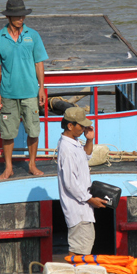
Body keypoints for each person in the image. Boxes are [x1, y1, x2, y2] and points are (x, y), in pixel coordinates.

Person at [0, 0, 49, 180]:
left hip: (30, 92)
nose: (21, 18)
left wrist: (41, 88)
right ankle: (8, 167)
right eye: (17, 15)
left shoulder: (33, 36)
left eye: (23, 15)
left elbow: (39, 63)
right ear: (8, 17)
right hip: (7, 94)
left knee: (33, 130)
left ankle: (32, 164)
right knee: (7, 133)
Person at [56, 107, 107, 255]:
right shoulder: (66, 149)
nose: (84, 128)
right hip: (78, 210)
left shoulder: (74, 142)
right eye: (81, 125)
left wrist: (89, 139)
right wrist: (91, 199)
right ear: (70, 126)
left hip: (82, 208)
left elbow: (86, 157)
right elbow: (70, 182)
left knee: (82, 247)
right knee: (80, 250)